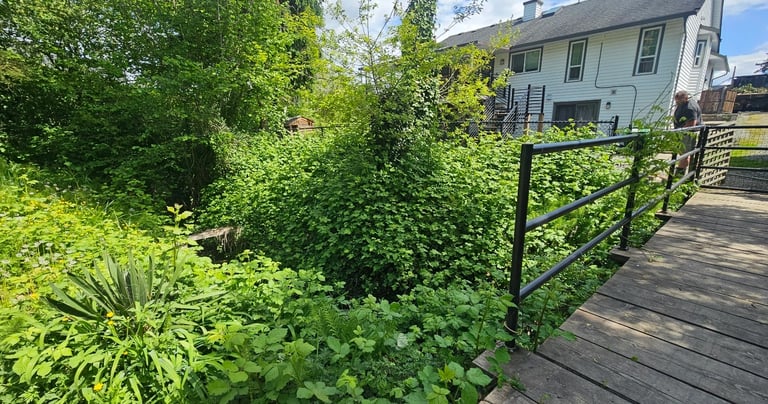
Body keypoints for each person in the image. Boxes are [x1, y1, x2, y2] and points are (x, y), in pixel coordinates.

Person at [673, 90, 702, 170]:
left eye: (679, 101)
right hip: (682, 132)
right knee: (682, 153)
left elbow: (691, 124)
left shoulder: (690, 108)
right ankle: (685, 173)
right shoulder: (683, 104)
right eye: (676, 101)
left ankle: (680, 174)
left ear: (685, 98)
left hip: (688, 134)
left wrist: (680, 132)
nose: (677, 103)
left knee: (685, 155)